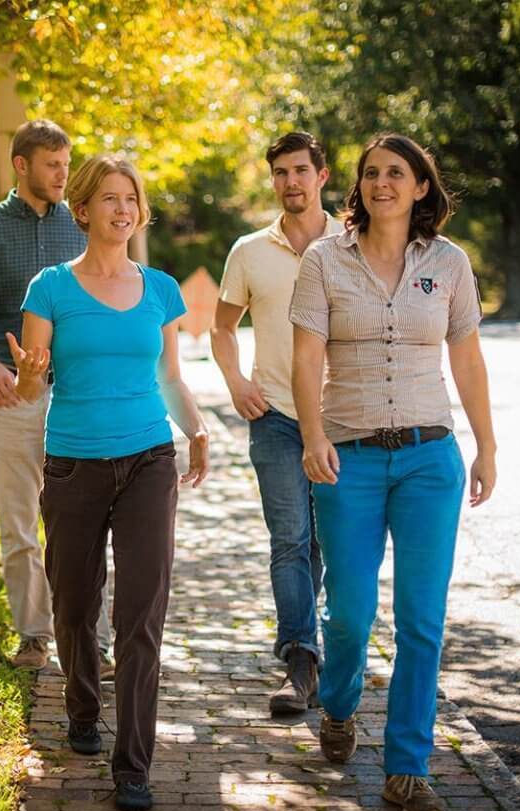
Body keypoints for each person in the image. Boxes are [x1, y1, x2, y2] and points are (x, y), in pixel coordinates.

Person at [290, 133, 496, 811]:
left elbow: (467, 359)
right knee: (348, 614)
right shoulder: (324, 259)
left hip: (428, 457)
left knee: (422, 620)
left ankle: (407, 767)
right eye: (372, 173)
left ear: (420, 188)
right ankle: (340, 703)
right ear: (359, 187)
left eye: (396, 173)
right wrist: (313, 433)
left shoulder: (449, 263)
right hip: (346, 458)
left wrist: (486, 446)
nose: (382, 183)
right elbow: (306, 354)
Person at [9, 154, 209, 811]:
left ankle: (133, 764)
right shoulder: (50, 288)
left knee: (141, 613)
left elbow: (171, 377)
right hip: (72, 464)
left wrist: (199, 431)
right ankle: (83, 707)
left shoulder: (161, 288)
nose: (122, 209)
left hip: (150, 459)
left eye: (131, 199)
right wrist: (32, 372)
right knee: (74, 604)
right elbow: (30, 386)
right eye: (109, 198)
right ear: (84, 208)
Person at [0, 120, 114, 673]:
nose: (62, 174)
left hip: (78, 396)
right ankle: (33, 635)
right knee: (21, 519)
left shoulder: (81, 225)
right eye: (52, 165)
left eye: (67, 164)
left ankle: (93, 637)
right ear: (21, 165)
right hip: (12, 397)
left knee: (87, 522)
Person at [211, 132, 343, 715]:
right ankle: (299, 661)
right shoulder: (248, 250)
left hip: (344, 418)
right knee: (289, 539)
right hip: (274, 417)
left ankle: (327, 650)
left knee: (328, 540)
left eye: (299, 171)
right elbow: (221, 326)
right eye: (280, 173)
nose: (290, 182)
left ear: (322, 175)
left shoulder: (354, 242)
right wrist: (236, 383)